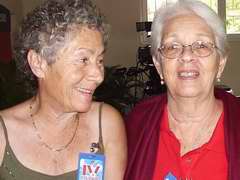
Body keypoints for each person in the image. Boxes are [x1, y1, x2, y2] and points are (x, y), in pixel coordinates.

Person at [0, 0, 127, 179]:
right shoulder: (3, 133)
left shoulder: (106, 124)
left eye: (99, 60)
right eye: (83, 60)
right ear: (38, 63)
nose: (98, 75)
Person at [124, 0, 240, 180]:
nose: (186, 56)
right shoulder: (135, 127)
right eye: (172, 46)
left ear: (221, 63)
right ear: (158, 65)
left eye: (201, 45)